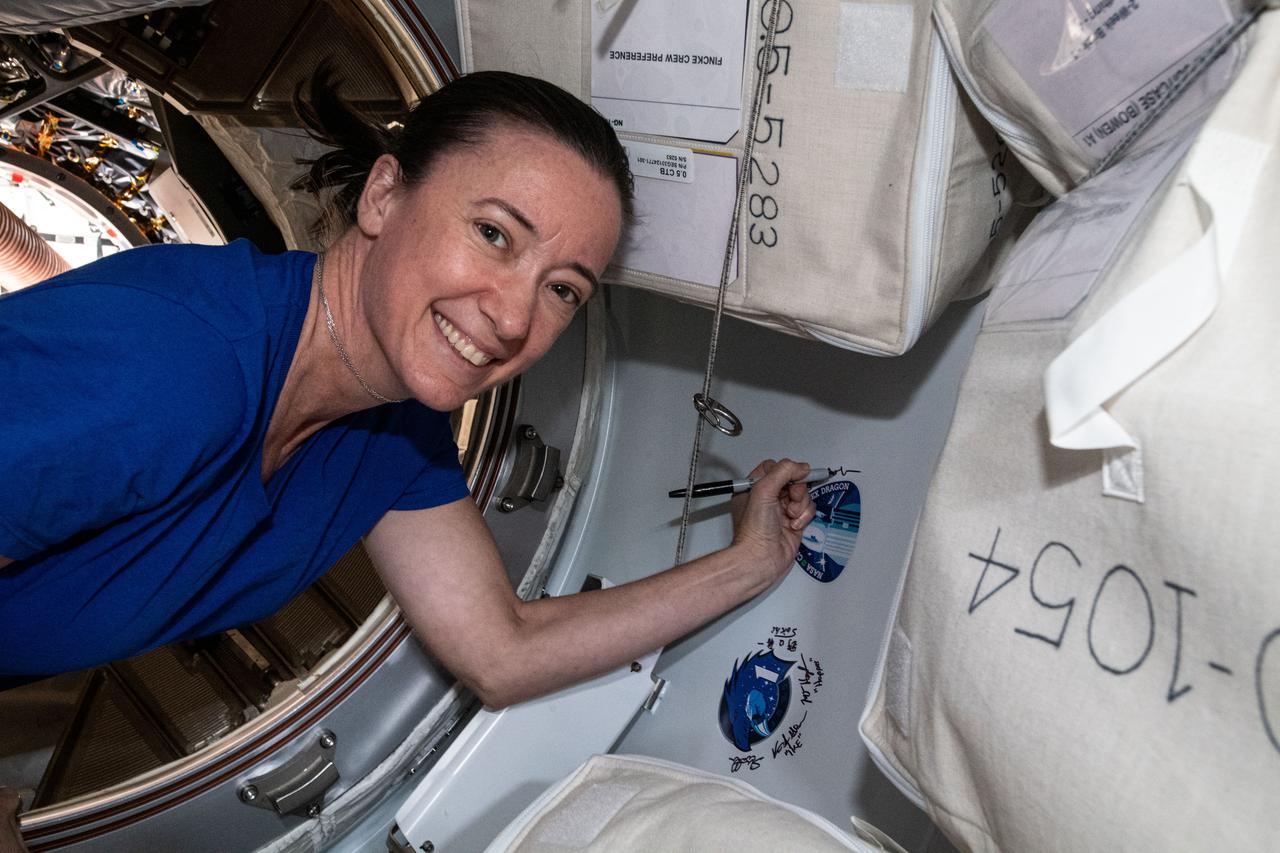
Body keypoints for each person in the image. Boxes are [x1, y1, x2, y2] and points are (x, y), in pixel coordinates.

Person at [0, 69, 816, 706]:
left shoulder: (391, 439)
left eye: (563, 288)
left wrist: (748, 563)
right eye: (494, 233)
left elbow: (501, 649)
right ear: (384, 196)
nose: (511, 317)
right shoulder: (176, 359)